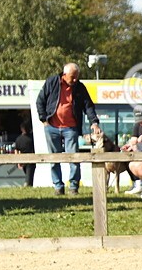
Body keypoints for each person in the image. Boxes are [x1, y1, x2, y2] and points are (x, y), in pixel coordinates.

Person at [35, 63, 101, 195]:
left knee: (74, 158)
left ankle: (74, 187)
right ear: (64, 75)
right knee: (54, 159)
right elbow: (40, 101)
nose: (75, 79)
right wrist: (44, 120)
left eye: (77, 77)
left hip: (71, 128)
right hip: (51, 127)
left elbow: (88, 106)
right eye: (72, 77)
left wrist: (94, 122)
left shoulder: (80, 87)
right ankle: (58, 186)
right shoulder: (52, 82)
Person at [15, 119, 35, 186]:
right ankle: (27, 184)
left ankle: (28, 184)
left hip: (23, 159)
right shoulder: (32, 138)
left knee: (28, 174)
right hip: (32, 158)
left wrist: (18, 161)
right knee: (29, 175)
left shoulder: (18, 139)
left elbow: (16, 151)